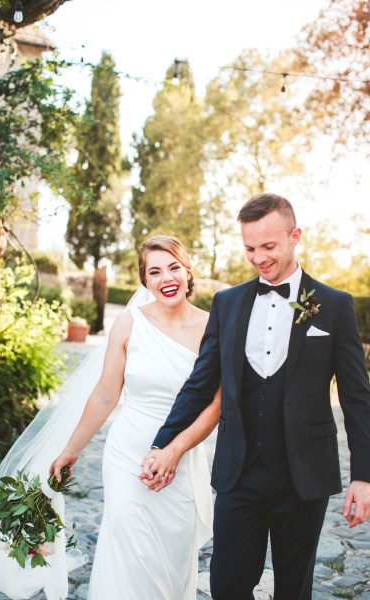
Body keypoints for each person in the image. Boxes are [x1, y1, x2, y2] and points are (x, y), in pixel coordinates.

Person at [142, 194, 370, 600]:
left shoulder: (333, 306)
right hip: (239, 473)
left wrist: (363, 477)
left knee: (293, 590)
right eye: (250, 248)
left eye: (269, 246)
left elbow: (356, 399)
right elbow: (200, 383)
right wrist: (162, 443)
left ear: (295, 236)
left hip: (304, 475)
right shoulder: (227, 304)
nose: (259, 258)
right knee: (227, 586)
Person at [50, 234, 220, 599]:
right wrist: (71, 449)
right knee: (128, 549)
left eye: (173, 267)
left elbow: (215, 406)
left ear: (188, 272)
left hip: (182, 456)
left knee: (171, 559)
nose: (166, 278)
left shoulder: (213, 327)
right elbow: (105, 394)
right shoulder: (129, 324)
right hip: (127, 454)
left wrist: (173, 452)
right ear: (145, 281)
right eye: (154, 272)